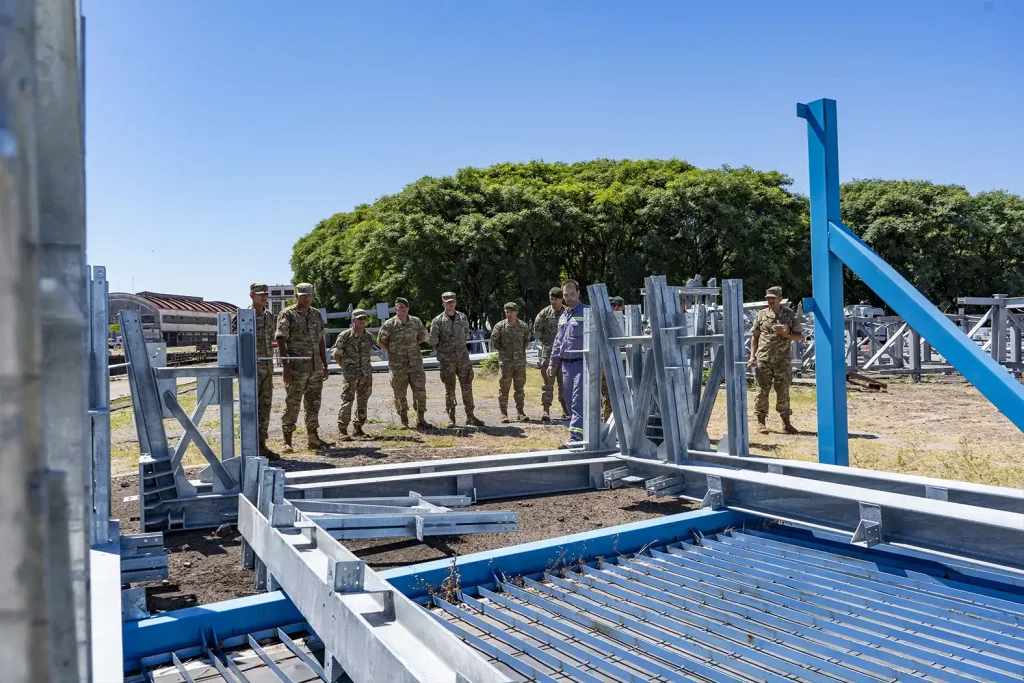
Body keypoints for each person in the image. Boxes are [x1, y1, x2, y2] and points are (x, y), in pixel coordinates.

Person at [276, 283, 333, 451]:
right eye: (302, 295)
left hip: (315, 367)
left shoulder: (316, 314)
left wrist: (325, 364)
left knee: (313, 402)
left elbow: (321, 340)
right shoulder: (288, 313)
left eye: (308, 294)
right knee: (293, 403)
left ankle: (313, 438)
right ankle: (287, 440)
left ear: (312, 296)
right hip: (296, 368)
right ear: (297, 296)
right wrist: (286, 366)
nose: (306, 297)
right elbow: (281, 339)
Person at [233, 283, 278, 460]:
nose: (264, 297)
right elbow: (233, 340)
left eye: (266, 294)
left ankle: (261, 445)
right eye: (260, 294)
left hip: (267, 369)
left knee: (265, 408)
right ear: (251, 295)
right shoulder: (243, 316)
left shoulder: (269, 316)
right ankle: (250, 447)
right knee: (250, 408)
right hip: (250, 370)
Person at [749, 285, 802, 435]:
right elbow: (755, 336)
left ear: (780, 299)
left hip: (782, 361)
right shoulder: (761, 315)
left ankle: (786, 424)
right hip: (764, 359)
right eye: (768, 299)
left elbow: (798, 336)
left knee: (783, 392)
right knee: (761, 392)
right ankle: (761, 423)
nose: (770, 301)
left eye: (773, 298)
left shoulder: (789, 315)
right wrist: (752, 356)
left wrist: (786, 335)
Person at [428, 292, 485, 428]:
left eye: (452, 301)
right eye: (447, 302)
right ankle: (451, 418)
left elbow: (466, 335)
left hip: (463, 359)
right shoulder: (438, 321)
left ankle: (470, 416)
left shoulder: (462, 317)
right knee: (450, 390)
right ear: (443, 304)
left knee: (467, 388)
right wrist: (443, 351)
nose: (450, 304)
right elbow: (433, 340)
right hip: (447, 361)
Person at [377, 297, 431, 429]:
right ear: (396, 308)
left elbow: (423, 336)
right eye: (400, 306)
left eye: (405, 306)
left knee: (420, 391)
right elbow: (380, 341)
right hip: (398, 365)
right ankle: (404, 420)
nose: (403, 308)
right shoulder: (389, 324)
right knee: (399, 393)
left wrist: (412, 346)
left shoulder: (416, 321)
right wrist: (393, 350)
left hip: (415, 364)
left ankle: (421, 418)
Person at [548, 279, 589, 447]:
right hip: (566, 366)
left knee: (578, 401)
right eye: (566, 295)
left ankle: (576, 438)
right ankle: (583, 433)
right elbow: (558, 341)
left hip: (582, 364)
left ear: (579, 293)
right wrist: (552, 362)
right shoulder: (563, 316)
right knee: (569, 401)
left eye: (573, 294)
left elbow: (597, 339)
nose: (569, 298)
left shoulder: (587, 312)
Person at [331, 308, 374, 441]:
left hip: (365, 374)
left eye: (364, 318)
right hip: (350, 374)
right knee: (347, 401)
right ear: (353, 320)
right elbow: (337, 354)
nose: (362, 321)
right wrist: (345, 368)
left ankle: (358, 428)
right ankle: (343, 429)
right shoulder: (345, 335)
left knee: (363, 401)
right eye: (359, 318)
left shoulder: (369, 337)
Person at [490, 302, 531, 422]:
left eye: (511, 311)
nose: (509, 314)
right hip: (506, 363)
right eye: (507, 312)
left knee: (519, 388)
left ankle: (520, 412)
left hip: (519, 363)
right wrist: (504, 353)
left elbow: (526, 341)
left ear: (516, 312)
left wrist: (518, 353)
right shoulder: (500, 326)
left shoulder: (523, 326)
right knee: (504, 389)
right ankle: (503, 414)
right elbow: (494, 342)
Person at [533, 287, 568, 422]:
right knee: (548, 382)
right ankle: (545, 410)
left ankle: (566, 410)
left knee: (564, 382)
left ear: (561, 299)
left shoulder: (568, 312)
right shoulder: (544, 314)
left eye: (555, 299)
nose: (552, 301)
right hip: (548, 353)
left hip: (565, 353)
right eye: (551, 299)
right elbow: (537, 334)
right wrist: (548, 344)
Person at [601, 296, 626, 421]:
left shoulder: (610, 320)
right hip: (608, 364)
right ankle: (605, 422)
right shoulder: (611, 321)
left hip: (615, 363)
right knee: (608, 396)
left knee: (608, 396)